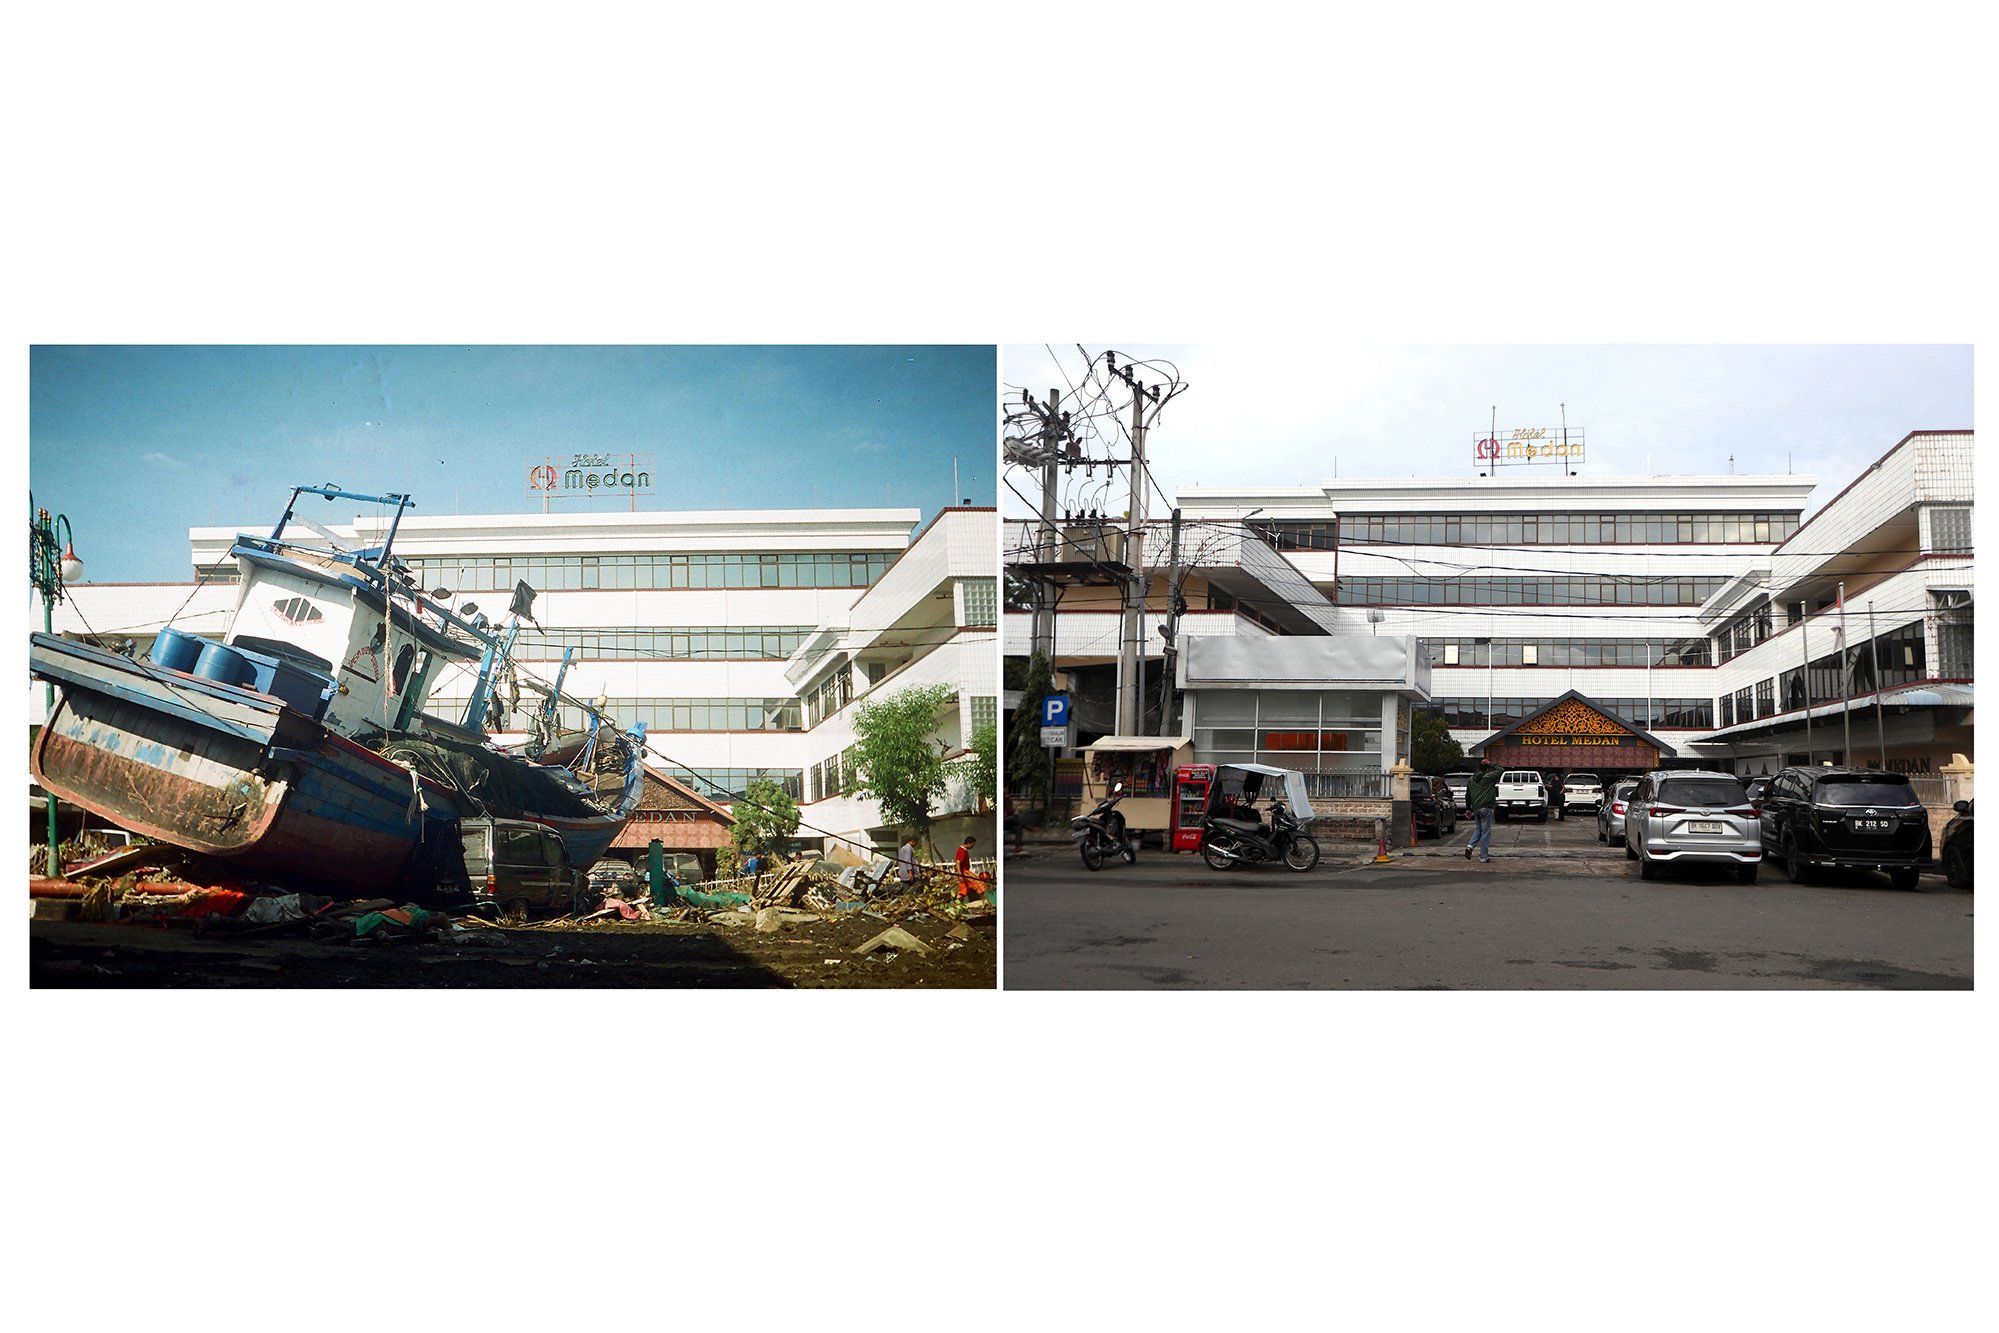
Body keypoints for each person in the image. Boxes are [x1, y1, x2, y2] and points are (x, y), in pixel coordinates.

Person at [1464, 761, 1500, 863]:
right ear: (1487, 769)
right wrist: (1491, 763)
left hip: (1476, 809)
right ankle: (1484, 857)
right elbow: (1501, 770)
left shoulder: (1471, 780)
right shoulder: (1489, 777)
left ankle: (1470, 847)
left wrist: (1468, 808)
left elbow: (1468, 796)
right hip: (1485, 808)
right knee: (1486, 832)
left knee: (1478, 829)